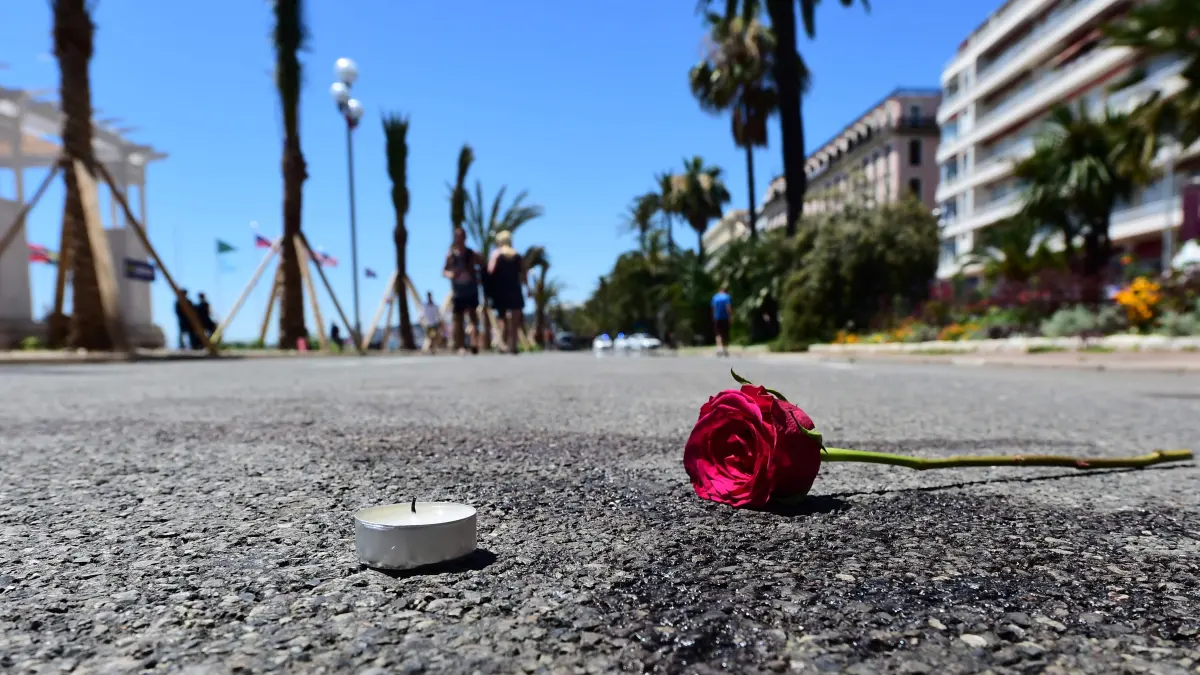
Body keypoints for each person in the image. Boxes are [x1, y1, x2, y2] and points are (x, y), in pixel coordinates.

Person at [487, 230, 527, 355]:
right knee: (514, 319)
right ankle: (513, 345)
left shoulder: (497, 254)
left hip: (501, 290)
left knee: (502, 319)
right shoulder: (517, 255)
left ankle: (503, 344)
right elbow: (524, 275)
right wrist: (528, 289)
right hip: (515, 289)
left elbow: (490, 271)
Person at [444, 227, 482, 355]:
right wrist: (451, 274)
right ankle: (461, 346)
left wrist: (475, 270)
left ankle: (474, 343)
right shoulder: (451, 255)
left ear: (465, 238)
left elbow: (481, 265)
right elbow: (444, 271)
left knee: (473, 317)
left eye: (462, 236)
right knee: (458, 319)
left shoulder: (471, 253)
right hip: (458, 291)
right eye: (457, 236)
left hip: (471, 289)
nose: (459, 239)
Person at [712, 286, 732, 357]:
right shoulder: (727, 297)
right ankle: (725, 350)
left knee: (718, 334)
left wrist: (714, 316)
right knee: (725, 334)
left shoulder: (715, 297)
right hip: (725, 317)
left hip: (717, 318)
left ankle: (719, 349)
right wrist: (730, 317)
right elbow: (728, 307)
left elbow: (713, 308)